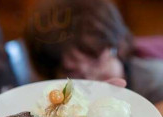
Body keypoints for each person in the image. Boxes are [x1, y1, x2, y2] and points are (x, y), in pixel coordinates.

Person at [25, 0, 163, 104]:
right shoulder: (47, 91)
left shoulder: (154, 81)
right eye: (71, 72)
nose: (89, 77)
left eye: (96, 61)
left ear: (116, 46)